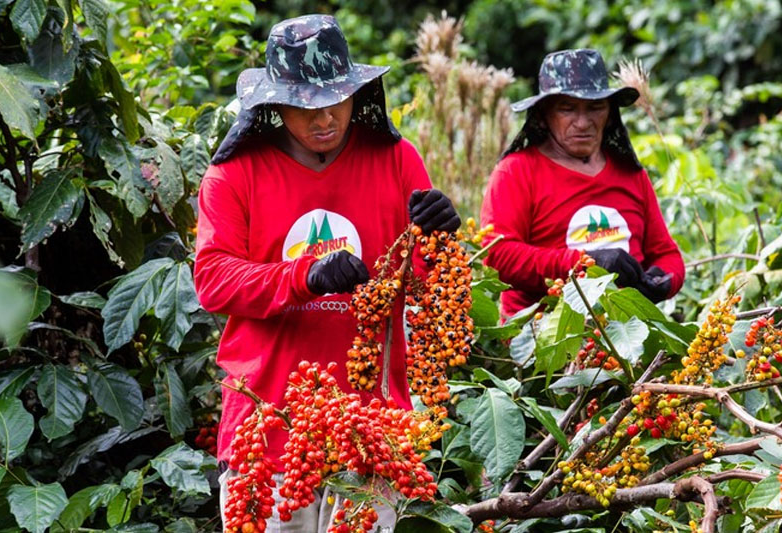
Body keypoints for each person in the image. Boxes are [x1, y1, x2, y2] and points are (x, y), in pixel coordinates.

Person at [193, 15, 460, 532]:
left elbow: (427, 284)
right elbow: (213, 280)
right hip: (267, 434)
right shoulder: (233, 174)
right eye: (304, 107)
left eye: (335, 100)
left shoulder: (397, 159)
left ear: (356, 92)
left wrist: (441, 237)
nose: (324, 119)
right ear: (274, 105)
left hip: (373, 431)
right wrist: (305, 276)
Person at [480, 48, 684, 316]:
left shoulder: (631, 175)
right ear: (543, 114)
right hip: (542, 340)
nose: (583, 122)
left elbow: (667, 254)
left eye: (595, 108)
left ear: (609, 112)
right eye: (567, 109)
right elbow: (498, 256)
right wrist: (586, 263)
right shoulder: (516, 172)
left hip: (629, 336)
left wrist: (663, 281)